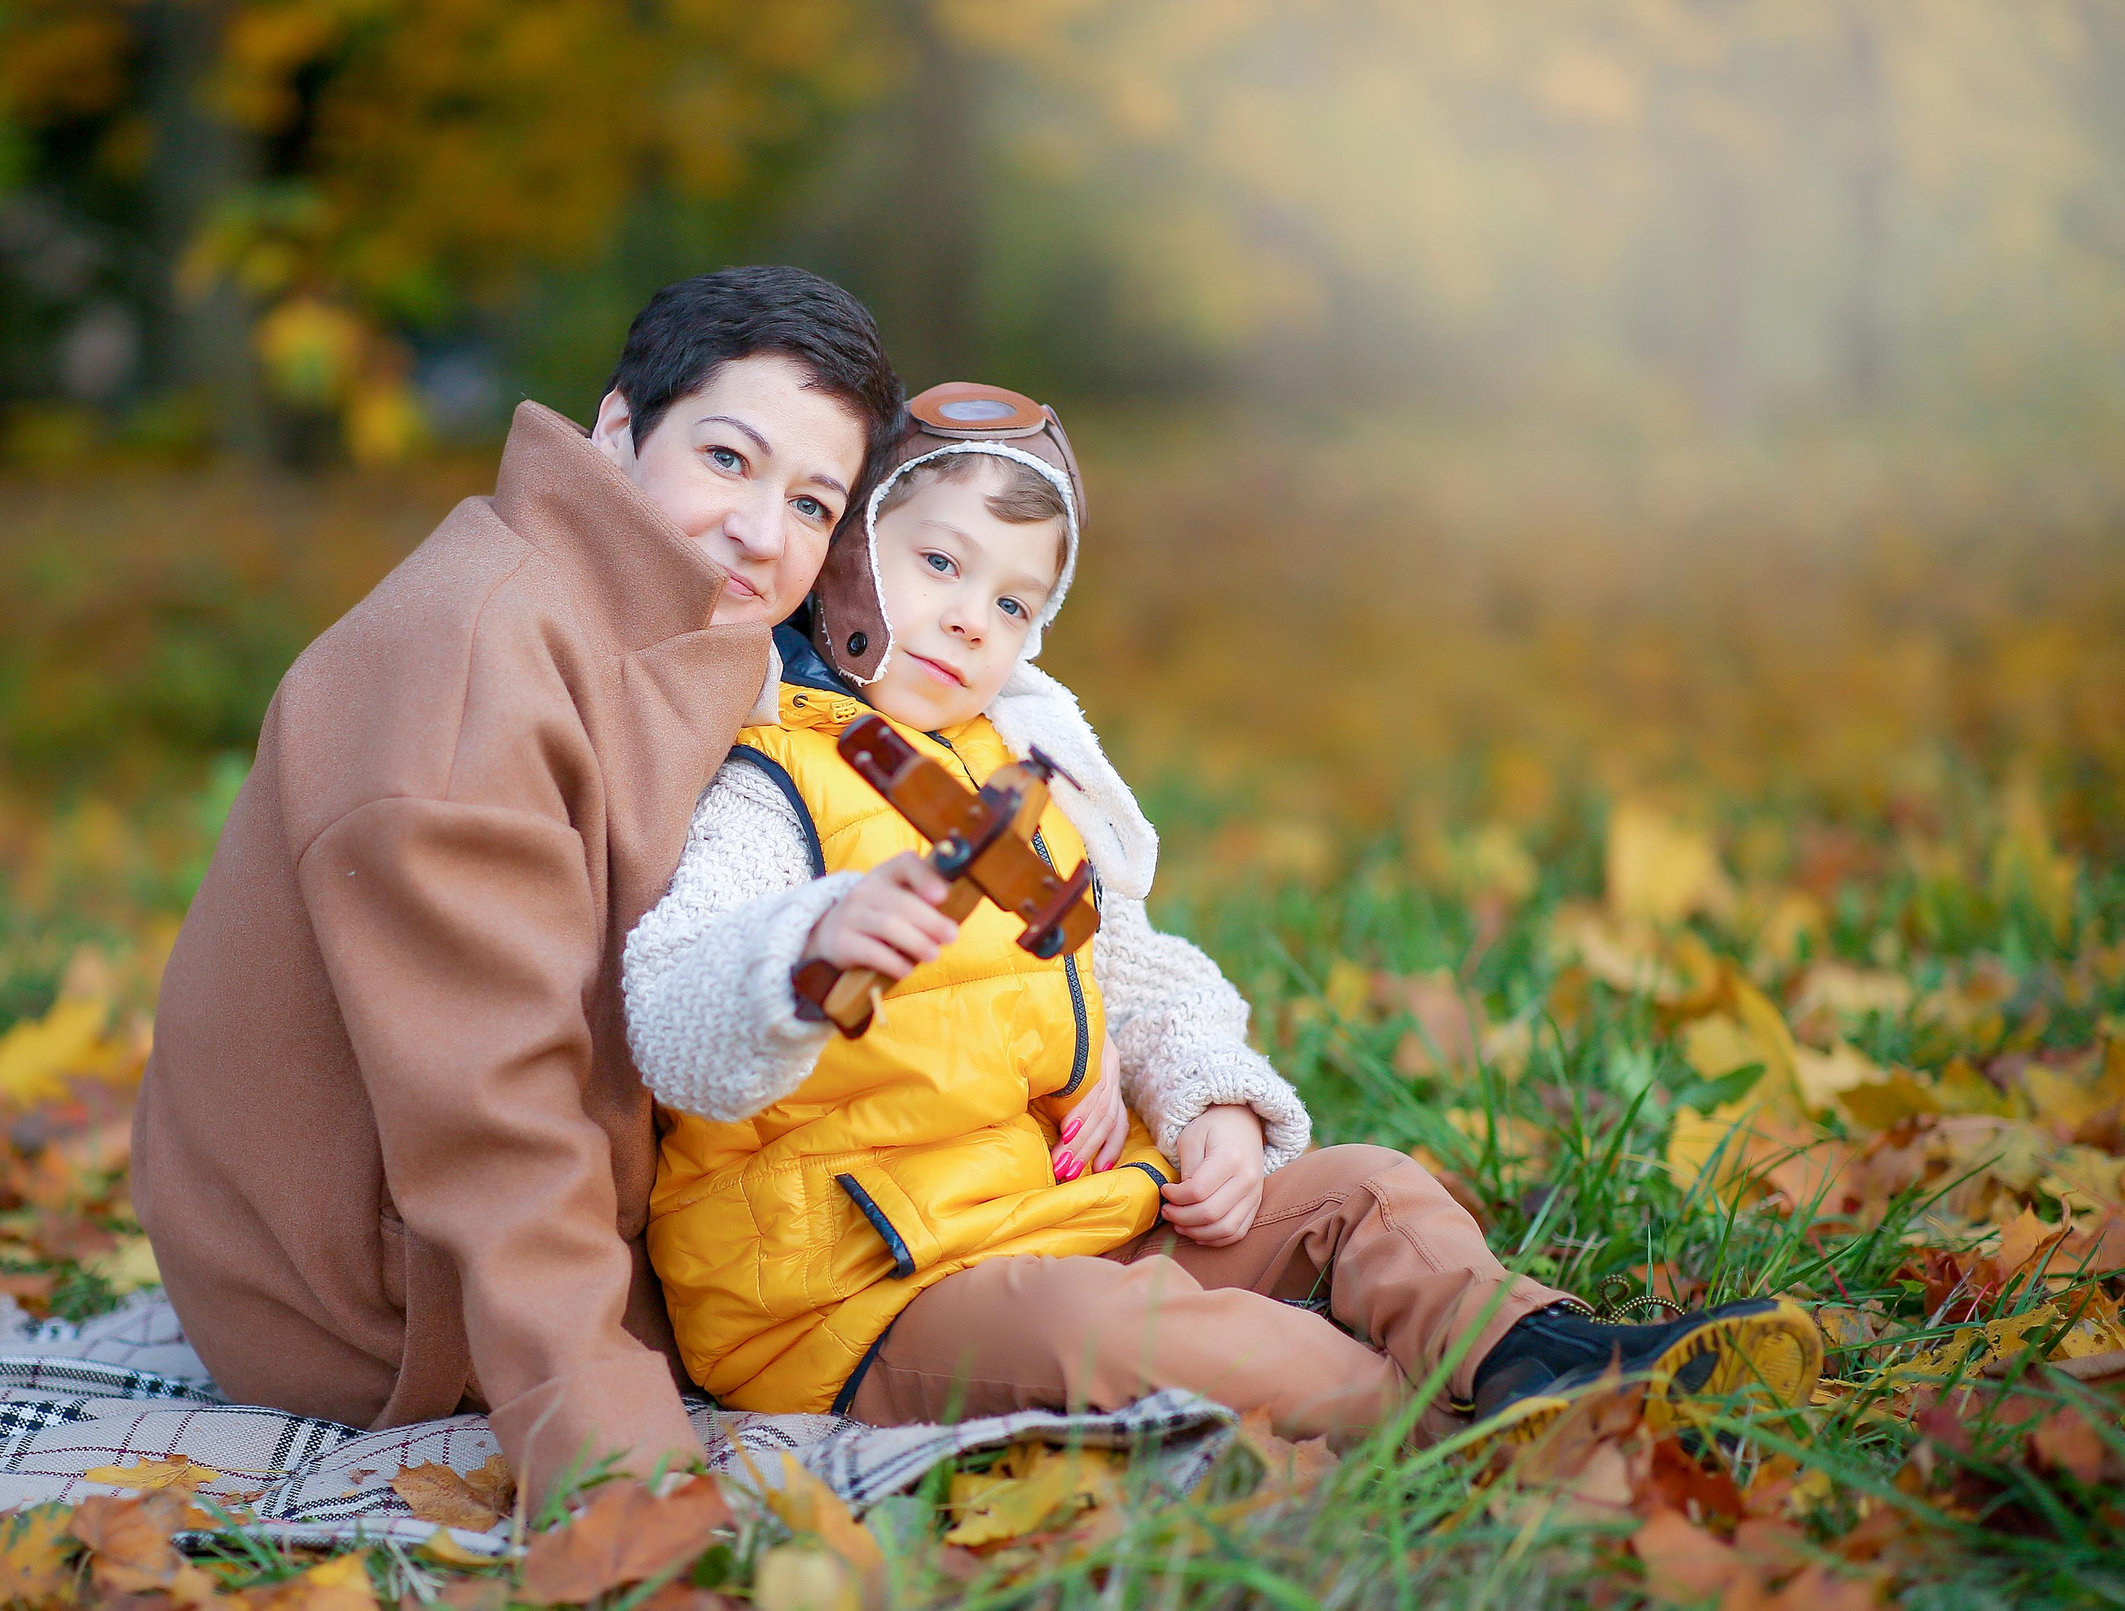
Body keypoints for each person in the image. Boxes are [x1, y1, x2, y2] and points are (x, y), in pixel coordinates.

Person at [629, 382, 1823, 1442]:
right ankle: (1470, 1434)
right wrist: (808, 945)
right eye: (936, 565)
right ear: (844, 556)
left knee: (1368, 1190)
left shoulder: (1016, 777)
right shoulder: (768, 779)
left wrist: (1212, 1101)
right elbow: (672, 1005)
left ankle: (1535, 1352)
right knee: (1128, 1329)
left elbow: (1128, 966)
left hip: (1048, 1213)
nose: (966, 621)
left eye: (1011, 603)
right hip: (851, 1293)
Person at [131, 267, 904, 1493]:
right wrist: (613, 1468)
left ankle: (1296, 1237)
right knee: (934, 1304)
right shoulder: (474, 652)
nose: (764, 530)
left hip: (631, 1208)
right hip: (383, 1304)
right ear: (613, 429)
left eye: (813, 504)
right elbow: (489, 1103)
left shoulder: (702, 646)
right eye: (727, 459)